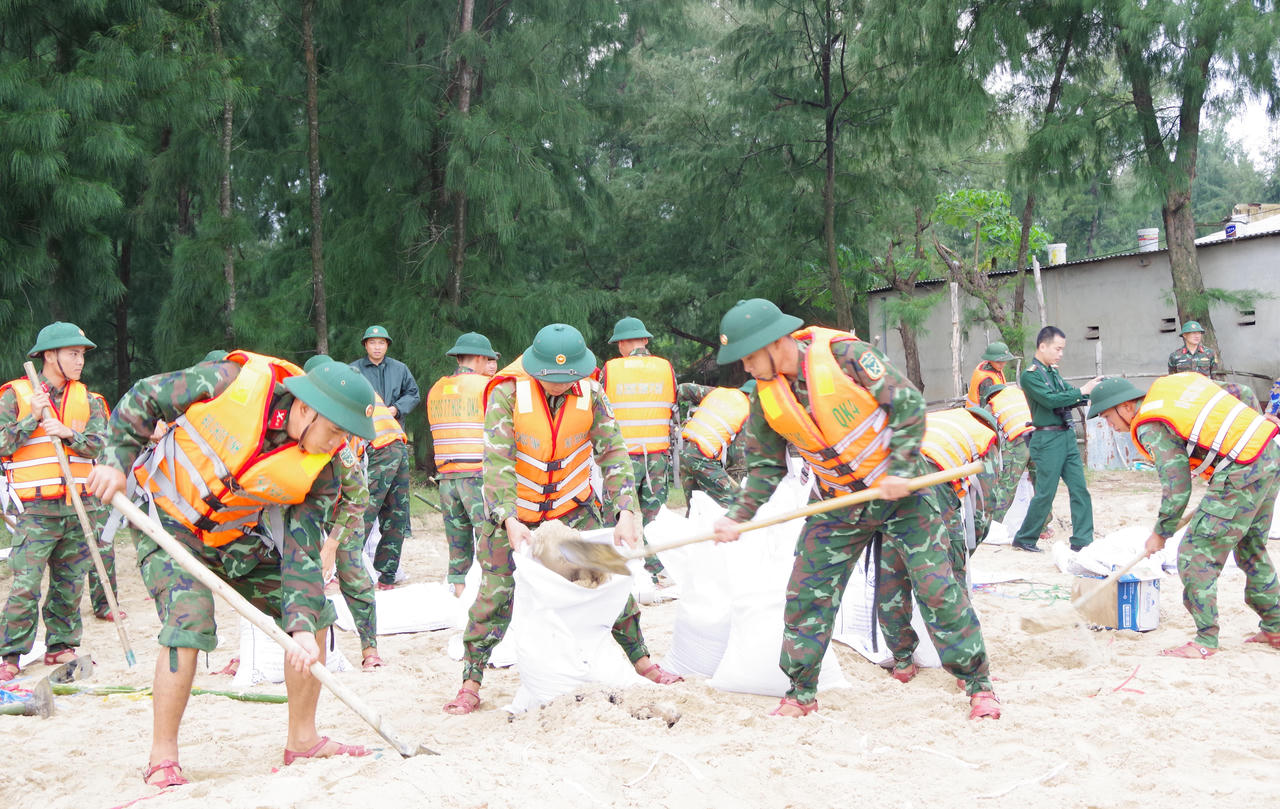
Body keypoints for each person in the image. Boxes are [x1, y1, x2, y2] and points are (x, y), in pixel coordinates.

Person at [85, 353, 378, 786]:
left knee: (315, 614)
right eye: (335, 430)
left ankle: (302, 740)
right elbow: (146, 396)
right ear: (305, 409)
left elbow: (301, 548)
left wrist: (300, 626)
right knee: (190, 615)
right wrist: (114, 460)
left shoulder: (325, 468)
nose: (339, 443)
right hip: (166, 519)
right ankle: (162, 757)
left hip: (231, 537)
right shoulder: (231, 381)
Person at [710, 299, 998, 720]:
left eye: (749, 357)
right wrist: (737, 515)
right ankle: (800, 692)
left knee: (936, 588)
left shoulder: (846, 356)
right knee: (807, 593)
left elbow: (908, 405)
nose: (747, 368)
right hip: (838, 502)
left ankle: (978, 684)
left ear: (774, 343)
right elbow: (765, 468)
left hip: (902, 494)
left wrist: (899, 467)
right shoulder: (765, 397)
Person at [443, 324, 682, 715]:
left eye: (566, 377)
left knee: (608, 580)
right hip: (515, 512)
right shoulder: (507, 394)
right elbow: (497, 462)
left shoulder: (592, 393)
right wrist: (507, 519)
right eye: (550, 378)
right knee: (494, 596)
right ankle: (471, 682)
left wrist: (625, 510)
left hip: (572, 508)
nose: (558, 384)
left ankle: (643, 662)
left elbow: (613, 453)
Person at [1088, 374, 1280, 658]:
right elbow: (1242, 391)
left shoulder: (1150, 425)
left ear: (1126, 407)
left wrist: (1161, 533)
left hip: (1241, 470)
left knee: (1195, 555)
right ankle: (1275, 627)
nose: (1110, 426)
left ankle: (1206, 641)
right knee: (1250, 546)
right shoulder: (1171, 388)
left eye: (1107, 417)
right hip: (1268, 454)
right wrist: (1253, 430)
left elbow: (1177, 486)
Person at [0, 323, 108, 681]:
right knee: (25, 585)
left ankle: (61, 645)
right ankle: (10, 655)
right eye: (73, 353)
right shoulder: (15, 396)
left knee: (70, 583)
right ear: (50, 355)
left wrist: (68, 434)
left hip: (79, 507)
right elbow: (2, 444)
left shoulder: (91, 400)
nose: (80, 361)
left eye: (82, 354)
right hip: (36, 510)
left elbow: (100, 444)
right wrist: (32, 418)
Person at [879, 406, 999, 683]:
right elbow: (985, 503)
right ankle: (967, 670)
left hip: (889, 476)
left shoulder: (939, 419)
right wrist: (963, 551)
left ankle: (902, 661)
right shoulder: (985, 437)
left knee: (892, 570)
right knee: (947, 579)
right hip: (932, 480)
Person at [303, 356, 380, 671]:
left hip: (342, 512)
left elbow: (358, 496)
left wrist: (332, 545)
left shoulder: (339, 445)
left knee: (353, 575)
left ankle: (370, 647)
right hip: (304, 513)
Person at [600, 317, 677, 582]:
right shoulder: (665, 368)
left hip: (621, 458)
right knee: (654, 517)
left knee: (615, 514)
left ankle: (614, 571)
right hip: (657, 456)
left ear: (622, 343)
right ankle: (657, 570)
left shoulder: (611, 369)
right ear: (645, 340)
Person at [1011, 326, 1101, 553]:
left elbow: (1067, 395)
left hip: (1066, 435)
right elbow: (1051, 400)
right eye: (1057, 349)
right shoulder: (1030, 375)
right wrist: (1081, 391)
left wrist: (1092, 393)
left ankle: (1082, 540)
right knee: (1046, 493)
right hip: (1047, 438)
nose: (1060, 354)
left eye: (1062, 349)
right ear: (1042, 346)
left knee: (1079, 488)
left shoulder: (1052, 372)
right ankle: (1025, 537)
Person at [426, 332, 497, 596]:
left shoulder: (437, 389)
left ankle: (458, 590)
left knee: (457, 541)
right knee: (488, 537)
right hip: (477, 474)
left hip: (446, 477)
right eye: (487, 359)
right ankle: (488, 594)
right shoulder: (486, 387)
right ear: (479, 358)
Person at [350, 325, 418, 589]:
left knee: (386, 510)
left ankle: (379, 573)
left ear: (387, 345)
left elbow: (413, 394)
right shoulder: (354, 371)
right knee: (380, 509)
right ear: (365, 345)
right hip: (376, 443)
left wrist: (396, 409)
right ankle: (364, 571)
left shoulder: (399, 369)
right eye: (372, 342)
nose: (377, 347)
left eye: (381, 342)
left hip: (388, 441)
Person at [676, 381, 753, 509]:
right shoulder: (749, 411)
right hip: (702, 456)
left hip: (683, 448)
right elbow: (737, 455)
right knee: (732, 504)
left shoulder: (718, 392)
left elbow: (684, 388)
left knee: (695, 506)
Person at [984, 383, 1035, 523]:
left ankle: (994, 525)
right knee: (1041, 486)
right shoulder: (1021, 394)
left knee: (1006, 487)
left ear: (991, 397)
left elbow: (985, 432)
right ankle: (1043, 527)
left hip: (1018, 441)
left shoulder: (993, 404)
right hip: (1040, 437)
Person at [966, 342, 1017, 408]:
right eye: (998, 362)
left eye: (1004, 361)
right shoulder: (986, 380)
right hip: (977, 412)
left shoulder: (994, 367)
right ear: (990, 359)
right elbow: (985, 407)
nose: (1002, 364)